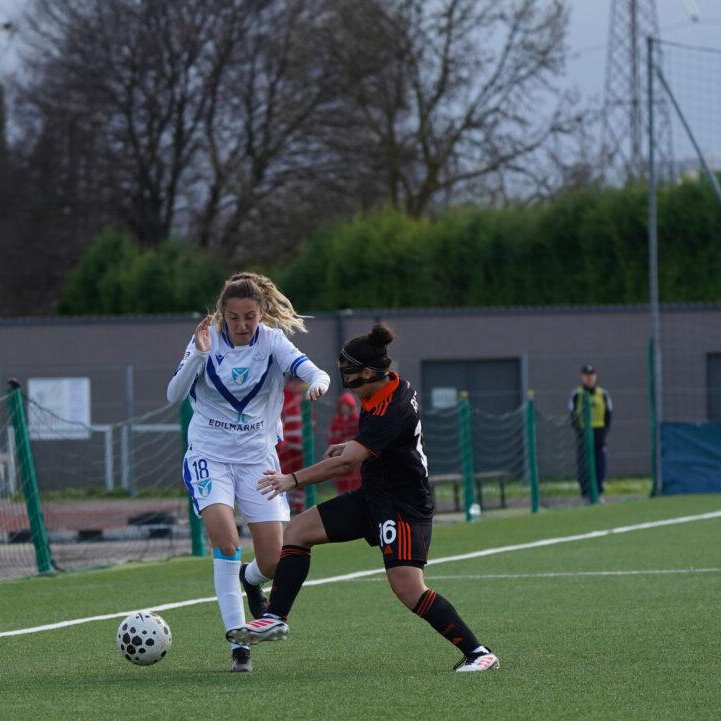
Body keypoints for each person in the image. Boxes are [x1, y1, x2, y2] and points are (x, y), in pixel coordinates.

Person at [240, 323, 499, 673]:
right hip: (374, 495)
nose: (343, 376)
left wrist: (292, 479)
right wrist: (353, 444)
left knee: (408, 588)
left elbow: (346, 464)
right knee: (297, 531)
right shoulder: (383, 388)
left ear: (366, 372)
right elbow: (380, 445)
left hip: (403, 506)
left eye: (347, 370)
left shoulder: (391, 407)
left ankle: (478, 653)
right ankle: (275, 618)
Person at [166, 272, 331, 673]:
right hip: (209, 457)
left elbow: (313, 370)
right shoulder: (205, 339)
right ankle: (239, 644)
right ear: (222, 313)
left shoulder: (272, 341)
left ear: (262, 314)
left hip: (258, 461)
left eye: (250, 317)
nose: (242, 325)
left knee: (274, 563)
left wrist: (317, 383)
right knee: (225, 541)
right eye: (234, 317)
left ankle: (251, 578)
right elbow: (174, 394)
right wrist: (199, 355)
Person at [568, 364, 613, 500]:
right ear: (582, 377)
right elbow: (572, 414)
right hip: (584, 433)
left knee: (600, 464)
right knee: (584, 464)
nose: (589, 378)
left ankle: (598, 492)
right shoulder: (577, 394)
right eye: (587, 376)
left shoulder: (602, 394)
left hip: (599, 433)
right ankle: (586, 493)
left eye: (592, 375)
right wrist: (580, 431)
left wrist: (604, 431)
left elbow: (608, 414)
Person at [276, 381, 306, 514]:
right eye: (296, 382)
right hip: (286, 447)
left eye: (300, 383)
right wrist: (281, 441)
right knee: (285, 473)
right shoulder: (283, 398)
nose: (298, 386)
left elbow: (310, 419)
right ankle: (284, 504)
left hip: (301, 446)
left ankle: (298, 505)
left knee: (300, 474)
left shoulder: (302, 398)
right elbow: (278, 419)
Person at [326, 391, 362, 494]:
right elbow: (331, 436)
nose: (344, 408)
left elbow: (360, 436)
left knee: (355, 481)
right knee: (341, 479)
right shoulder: (336, 420)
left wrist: (349, 440)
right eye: (342, 405)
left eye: (346, 405)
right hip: (339, 455)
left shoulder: (356, 419)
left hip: (354, 455)